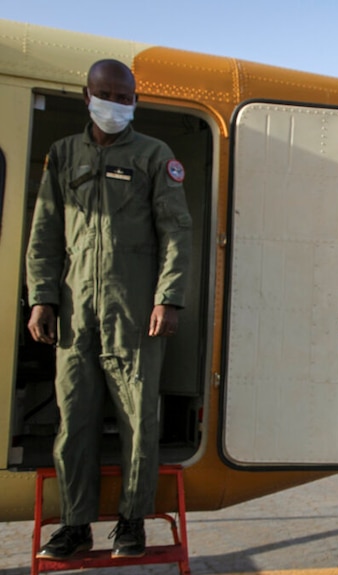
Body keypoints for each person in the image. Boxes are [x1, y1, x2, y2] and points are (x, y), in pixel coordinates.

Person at [26, 59, 192, 560]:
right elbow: (45, 234)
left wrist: (169, 297)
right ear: (87, 95)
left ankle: (131, 521)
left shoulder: (153, 155)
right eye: (108, 94)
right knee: (74, 419)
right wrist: (42, 297)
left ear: (135, 100)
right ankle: (75, 526)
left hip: (135, 312)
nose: (116, 104)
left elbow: (177, 232)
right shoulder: (63, 155)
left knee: (139, 419)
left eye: (125, 96)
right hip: (76, 313)